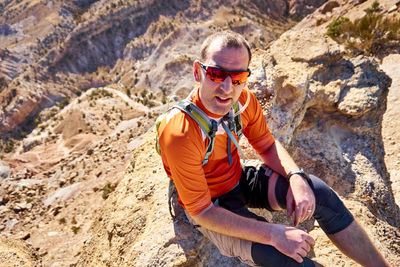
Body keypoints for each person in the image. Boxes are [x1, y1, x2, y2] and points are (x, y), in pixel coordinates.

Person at [157, 30, 390, 267]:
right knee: (287, 259)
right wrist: (273, 233)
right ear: (198, 72)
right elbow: (202, 212)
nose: (227, 88)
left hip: (237, 178)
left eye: (237, 77)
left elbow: (266, 145)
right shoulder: (181, 132)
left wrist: (296, 176)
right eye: (217, 74)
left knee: (318, 193)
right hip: (211, 206)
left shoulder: (243, 102)